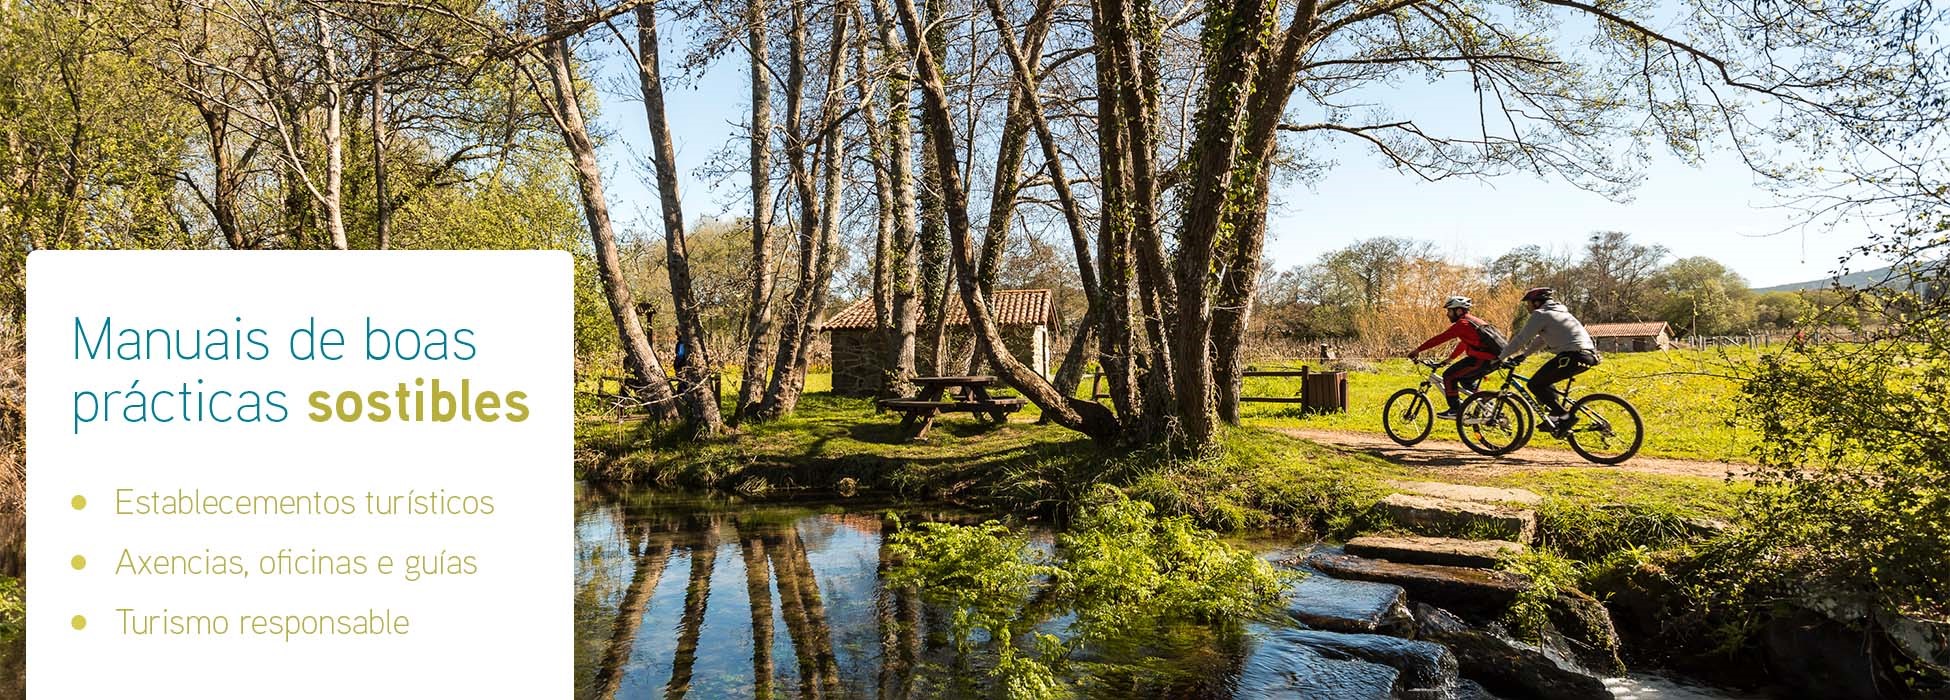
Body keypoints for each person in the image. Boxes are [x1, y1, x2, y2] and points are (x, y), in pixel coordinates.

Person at [1496, 287, 1600, 433]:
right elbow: (1541, 340)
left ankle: (1564, 415)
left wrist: (1500, 358)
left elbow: (1521, 338)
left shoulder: (1541, 314)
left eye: (1529, 303)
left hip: (1572, 355)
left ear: (1537, 302)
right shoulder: (1561, 313)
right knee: (1545, 382)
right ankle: (1555, 418)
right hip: (1588, 356)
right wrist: (1524, 355)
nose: (1527, 307)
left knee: (1534, 385)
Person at [1407, 296, 1503, 420]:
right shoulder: (1472, 321)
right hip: (1493, 358)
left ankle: (1456, 409)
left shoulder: (1463, 323)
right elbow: (1464, 343)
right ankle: (1486, 402)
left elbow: (1441, 338)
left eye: (1449, 311)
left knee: (1449, 376)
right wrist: (1450, 359)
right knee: (1465, 380)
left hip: (1483, 358)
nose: (1447, 314)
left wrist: (1418, 350)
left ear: (1459, 311)